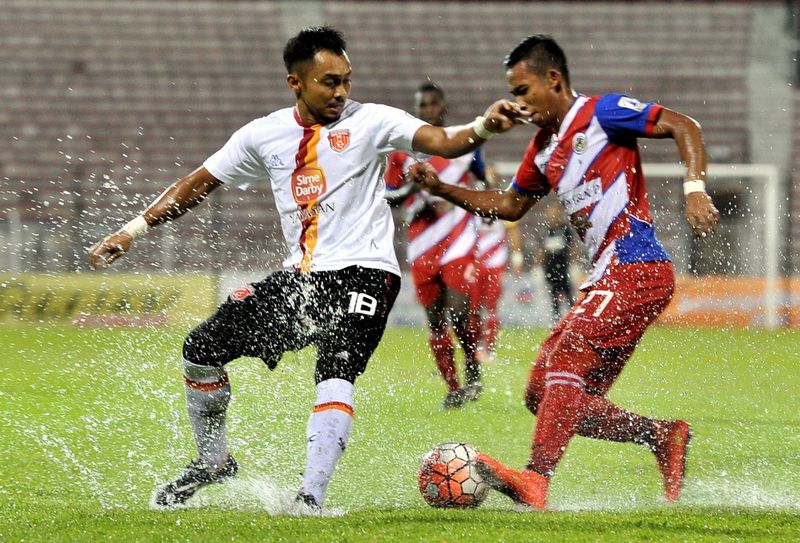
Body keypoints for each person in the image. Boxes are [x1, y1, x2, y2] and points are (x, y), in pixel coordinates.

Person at [87, 26, 524, 510]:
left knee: (335, 372)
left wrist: (484, 126)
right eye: (328, 81)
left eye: (346, 80)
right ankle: (212, 462)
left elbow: (444, 141)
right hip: (301, 279)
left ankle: (309, 498)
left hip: (367, 274)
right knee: (200, 350)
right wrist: (133, 230)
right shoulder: (264, 134)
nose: (341, 91)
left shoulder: (373, 121)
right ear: (296, 83)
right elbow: (199, 182)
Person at [408, 34, 720, 510]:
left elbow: (684, 125)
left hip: (637, 266)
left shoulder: (602, 112)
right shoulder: (540, 150)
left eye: (523, 89)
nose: (519, 101)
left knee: (569, 357)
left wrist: (694, 187)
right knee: (541, 392)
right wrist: (443, 187)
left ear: (553, 79)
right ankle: (663, 436)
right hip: (605, 276)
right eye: (513, 93)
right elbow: (509, 206)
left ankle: (536, 479)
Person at [384, 82, 487, 409]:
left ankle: (472, 369)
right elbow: (389, 196)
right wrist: (411, 191)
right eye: (422, 105)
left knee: (459, 312)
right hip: (422, 244)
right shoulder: (403, 152)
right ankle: (453, 388)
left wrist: (473, 203)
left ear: (443, 107)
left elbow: (482, 180)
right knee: (435, 319)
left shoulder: (464, 144)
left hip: (458, 239)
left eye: (432, 104)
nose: (427, 109)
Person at [536, 202, 576, 324]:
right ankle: (557, 322)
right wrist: (538, 265)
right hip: (550, 269)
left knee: (569, 296)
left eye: (555, 213)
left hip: (564, 268)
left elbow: (572, 247)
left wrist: (574, 263)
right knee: (554, 298)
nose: (552, 216)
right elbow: (541, 251)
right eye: (550, 214)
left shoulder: (564, 229)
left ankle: (573, 320)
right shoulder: (545, 230)